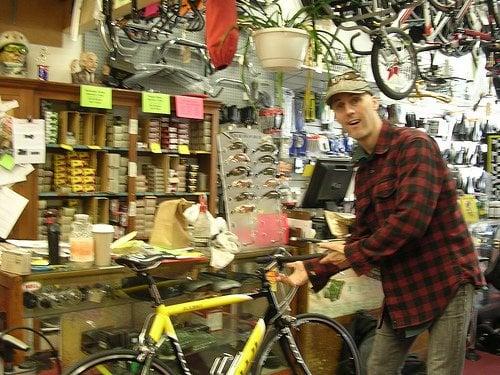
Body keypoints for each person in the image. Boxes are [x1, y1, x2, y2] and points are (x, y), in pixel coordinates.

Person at [278, 71, 485, 375]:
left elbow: (411, 222)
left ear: (374, 101)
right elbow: (364, 236)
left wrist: (351, 252)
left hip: (447, 280)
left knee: (441, 370)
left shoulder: (414, 146)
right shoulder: (365, 166)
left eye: (355, 101)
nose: (348, 111)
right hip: (404, 284)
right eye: (339, 106)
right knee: (378, 369)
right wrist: (311, 269)